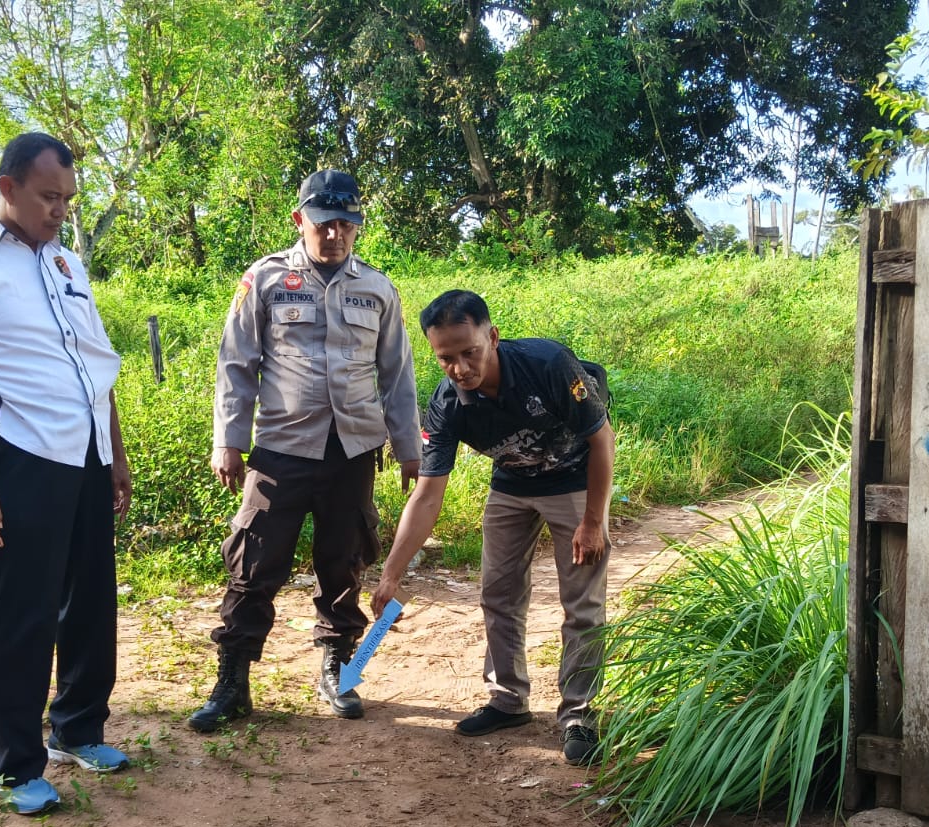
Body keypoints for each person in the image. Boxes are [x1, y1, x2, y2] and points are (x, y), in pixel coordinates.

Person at [0, 131, 132, 815]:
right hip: (18, 456)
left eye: (68, 199)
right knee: (21, 614)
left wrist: (116, 453)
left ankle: (77, 729)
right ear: (7, 188)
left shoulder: (68, 265)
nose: (59, 210)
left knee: (90, 602)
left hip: (86, 454)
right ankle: (15, 765)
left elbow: (95, 366)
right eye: (48, 197)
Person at [188, 169, 421, 733]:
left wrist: (408, 446)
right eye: (325, 223)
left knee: (343, 563)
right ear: (301, 221)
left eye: (347, 224)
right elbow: (236, 365)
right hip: (280, 450)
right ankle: (233, 680)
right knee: (253, 562)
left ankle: (338, 671)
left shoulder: (378, 288)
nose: (336, 234)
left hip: (353, 453)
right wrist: (229, 440)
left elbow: (396, 375)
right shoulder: (265, 280)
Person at [370, 290, 614, 766]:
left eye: (470, 352)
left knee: (581, 602)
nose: (460, 367)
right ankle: (508, 699)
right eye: (446, 358)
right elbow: (427, 493)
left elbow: (602, 441)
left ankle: (579, 715)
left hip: (574, 482)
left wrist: (593, 521)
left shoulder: (548, 364)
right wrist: (391, 574)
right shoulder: (447, 403)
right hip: (511, 485)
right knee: (497, 594)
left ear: (493, 336)